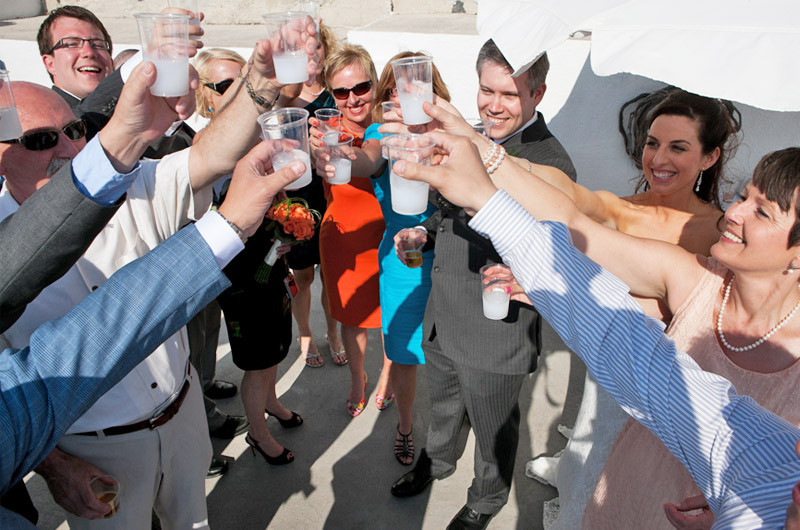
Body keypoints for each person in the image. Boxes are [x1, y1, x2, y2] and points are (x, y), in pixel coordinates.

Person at [414, 101, 800, 529]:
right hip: (627, 467)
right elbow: (573, 220)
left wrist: (752, 505)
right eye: (743, 196)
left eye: (761, 211)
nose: (735, 212)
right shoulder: (693, 276)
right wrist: (481, 153)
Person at [2, 22, 318, 529]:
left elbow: (211, 153)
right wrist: (54, 464)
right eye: (41, 139)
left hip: (182, 415)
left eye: (75, 130)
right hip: (93, 451)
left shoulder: (126, 186)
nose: (67, 150)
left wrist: (259, 82)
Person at [523, 88, 741, 528]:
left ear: (709, 157)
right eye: (652, 143)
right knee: (590, 474)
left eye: (678, 147)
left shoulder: (721, 234)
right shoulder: (619, 211)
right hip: (607, 385)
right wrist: (489, 156)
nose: (658, 158)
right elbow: (568, 194)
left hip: (672, 392)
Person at [389, 40, 575, 530]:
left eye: (509, 94)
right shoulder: (465, 137)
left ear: (538, 94)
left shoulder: (551, 162)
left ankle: (486, 500)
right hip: (445, 311)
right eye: (485, 89)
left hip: (498, 330)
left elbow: (565, 249)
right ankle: (438, 459)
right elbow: (445, 209)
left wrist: (529, 272)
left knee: (493, 422)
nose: (493, 105)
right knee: (445, 401)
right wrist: (422, 232)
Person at [195, 48, 301, 466]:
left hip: (271, 260)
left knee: (276, 345)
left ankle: (272, 402)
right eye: (224, 86)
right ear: (206, 96)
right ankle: (257, 435)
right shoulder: (203, 150)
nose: (237, 92)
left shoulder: (258, 135)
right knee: (257, 360)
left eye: (241, 83)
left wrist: (288, 218)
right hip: (239, 274)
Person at [364, 51, 451, 465]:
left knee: (452, 349)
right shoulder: (382, 134)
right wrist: (343, 157)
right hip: (406, 259)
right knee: (404, 351)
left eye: (415, 88)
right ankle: (405, 426)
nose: (405, 97)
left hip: (451, 253)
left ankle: (452, 430)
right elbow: (366, 159)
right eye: (396, 90)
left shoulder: (446, 133)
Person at [310, 44, 389, 417]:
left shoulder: (389, 124)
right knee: (354, 319)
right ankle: (358, 379)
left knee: (393, 314)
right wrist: (315, 150)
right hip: (344, 237)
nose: (353, 100)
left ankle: (389, 374)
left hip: (389, 235)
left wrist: (341, 152)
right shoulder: (325, 130)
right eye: (341, 92)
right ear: (331, 94)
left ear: (374, 84)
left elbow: (370, 159)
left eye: (361, 88)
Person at [37, 5, 198, 156]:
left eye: (98, 45)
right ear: (49, 63)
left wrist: (169, 116)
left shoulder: (135, 107)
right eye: (72, 44)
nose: (89, 52)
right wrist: (150, 53)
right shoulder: (42, 119)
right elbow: (86, 123)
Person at [276, 22, 345, 368]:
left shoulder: (335, 93)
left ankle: (332, 333)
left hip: (332, 192)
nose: (310, 54)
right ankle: (305, 333)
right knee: (302, 274)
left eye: (315, 47)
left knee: (330, 274)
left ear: (322, 51)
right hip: (296, 197)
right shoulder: (283, 97)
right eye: (301, 49)